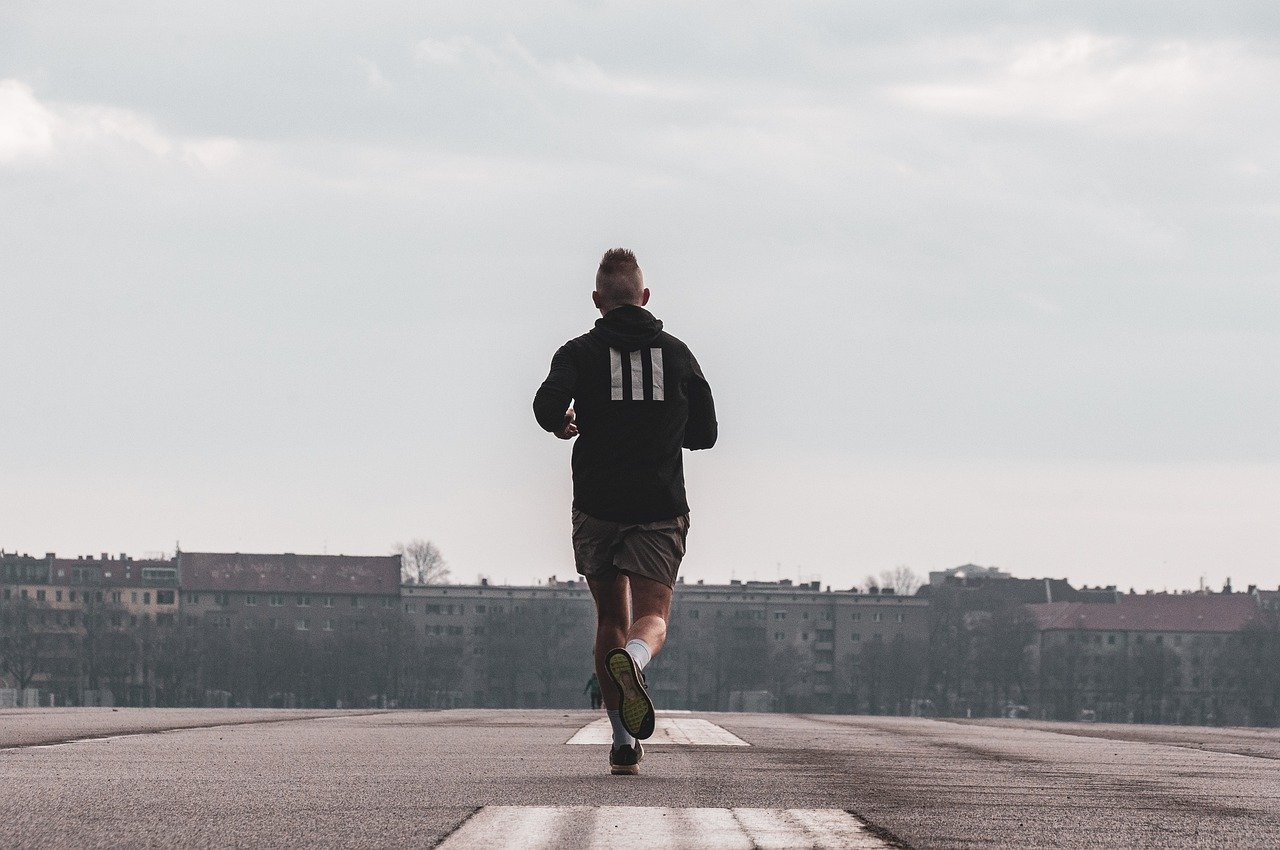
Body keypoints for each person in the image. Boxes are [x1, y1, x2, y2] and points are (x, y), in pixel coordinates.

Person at [534, 247, 717, 776]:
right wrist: (662, 426)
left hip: (597, 504)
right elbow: (705, 434)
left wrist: (563, 422)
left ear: (597, 301)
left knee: (610, 617)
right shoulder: (678, 354)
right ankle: (636, 661)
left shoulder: (578, 351)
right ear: (645, 297)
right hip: (658, 505)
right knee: (652, 617)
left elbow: (547, 405)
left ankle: (621, 743)